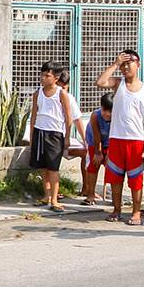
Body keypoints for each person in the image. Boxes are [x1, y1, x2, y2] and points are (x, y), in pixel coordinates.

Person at [96, 50, 144, 226]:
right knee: (116, 178)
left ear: (138, 64)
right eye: (123, 64)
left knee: (136, 180)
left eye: (129, 63)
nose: (126, 67)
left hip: (136, 140)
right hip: (116, 138)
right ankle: (116, 210)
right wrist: (115, 64)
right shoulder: (118, 84)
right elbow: (101, 82)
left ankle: (136, 212)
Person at [29, 60, 71, 212]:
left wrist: (66, 138)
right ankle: (46, 195)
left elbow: (68, 116)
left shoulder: (62, 94)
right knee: (43, 167)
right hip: (40, 131)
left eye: (47, 75)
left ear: (56, 78)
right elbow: (34, 115)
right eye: (42, 75)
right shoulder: (37, 94)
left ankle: (54, 199)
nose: (43, 78)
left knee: (53, 168)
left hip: (55, 134)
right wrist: (32, 135)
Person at [57, 71, 87, 195]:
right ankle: (53, 191)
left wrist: (85, 140)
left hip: (65, 138)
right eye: (59, 86)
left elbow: (77, 119)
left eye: (63, 87)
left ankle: (86, 189)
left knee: (87, 153)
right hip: (52, 138)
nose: (61, 90)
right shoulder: (45, 95)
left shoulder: (69, 98)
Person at [81, 92, 113, 205]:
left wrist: (109, 152)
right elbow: (96, 137)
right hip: (94, 142)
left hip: (111, 142)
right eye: (105, 110)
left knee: (113, 168)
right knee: (93, 166)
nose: (107, 114)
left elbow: (115, 135)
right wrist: (98, 153)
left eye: (110, 111)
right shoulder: (95, 115)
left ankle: (116, 197)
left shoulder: (118, 117)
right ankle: (90, 195)